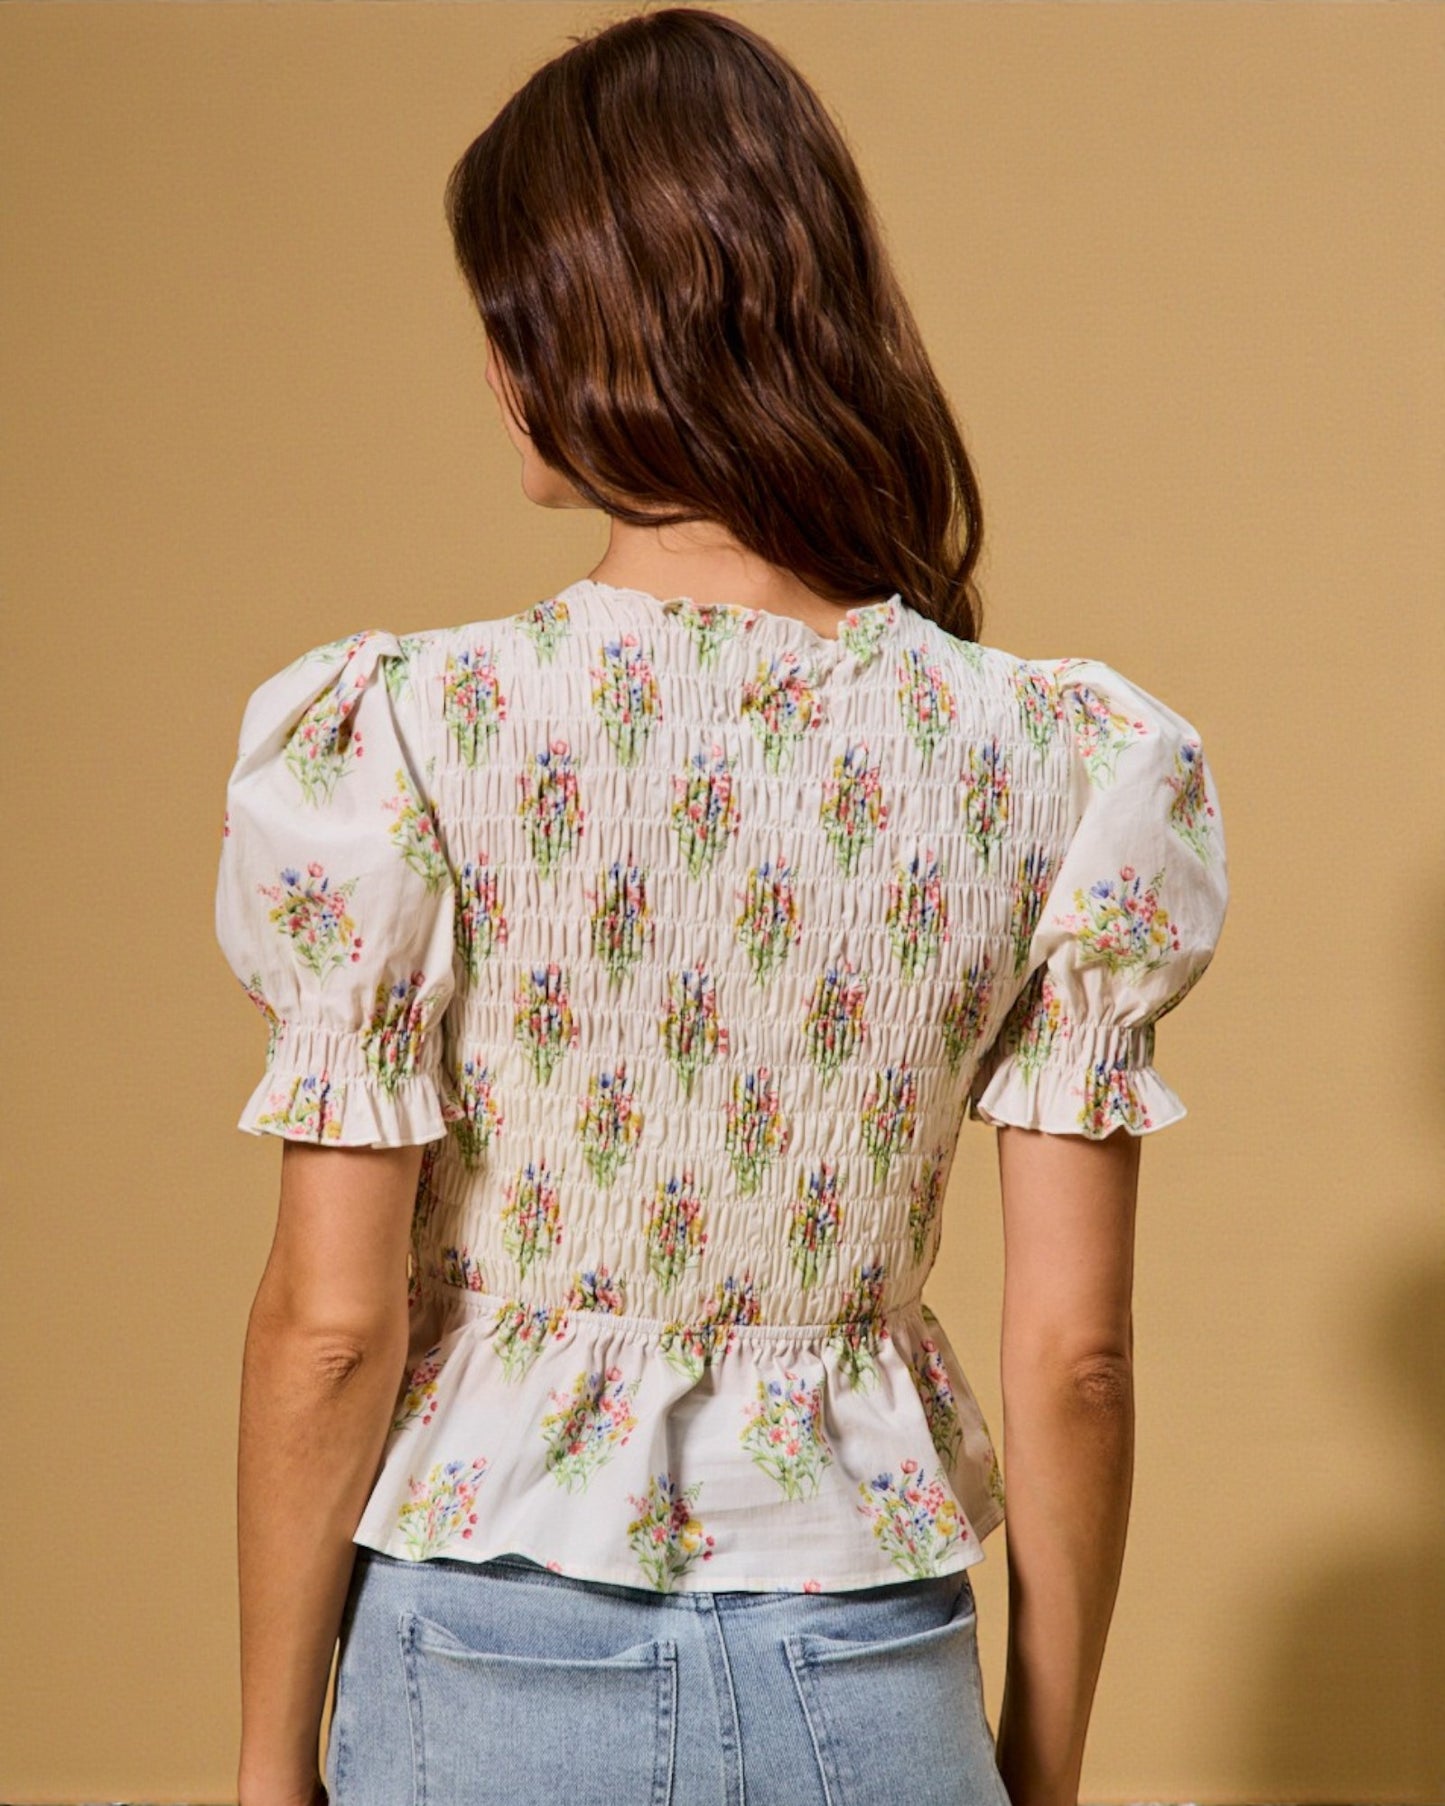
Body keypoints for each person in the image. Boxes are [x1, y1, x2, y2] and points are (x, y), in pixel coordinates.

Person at [215, 10, 1230, 1806]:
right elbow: (1075, 1352)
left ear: (565, 329)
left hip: (488, 1644)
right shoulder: (1055, 754)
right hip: (871, 1654)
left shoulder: (410, 732)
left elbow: (332, 1321)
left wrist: (263, 1760)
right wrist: (1042, 1767)